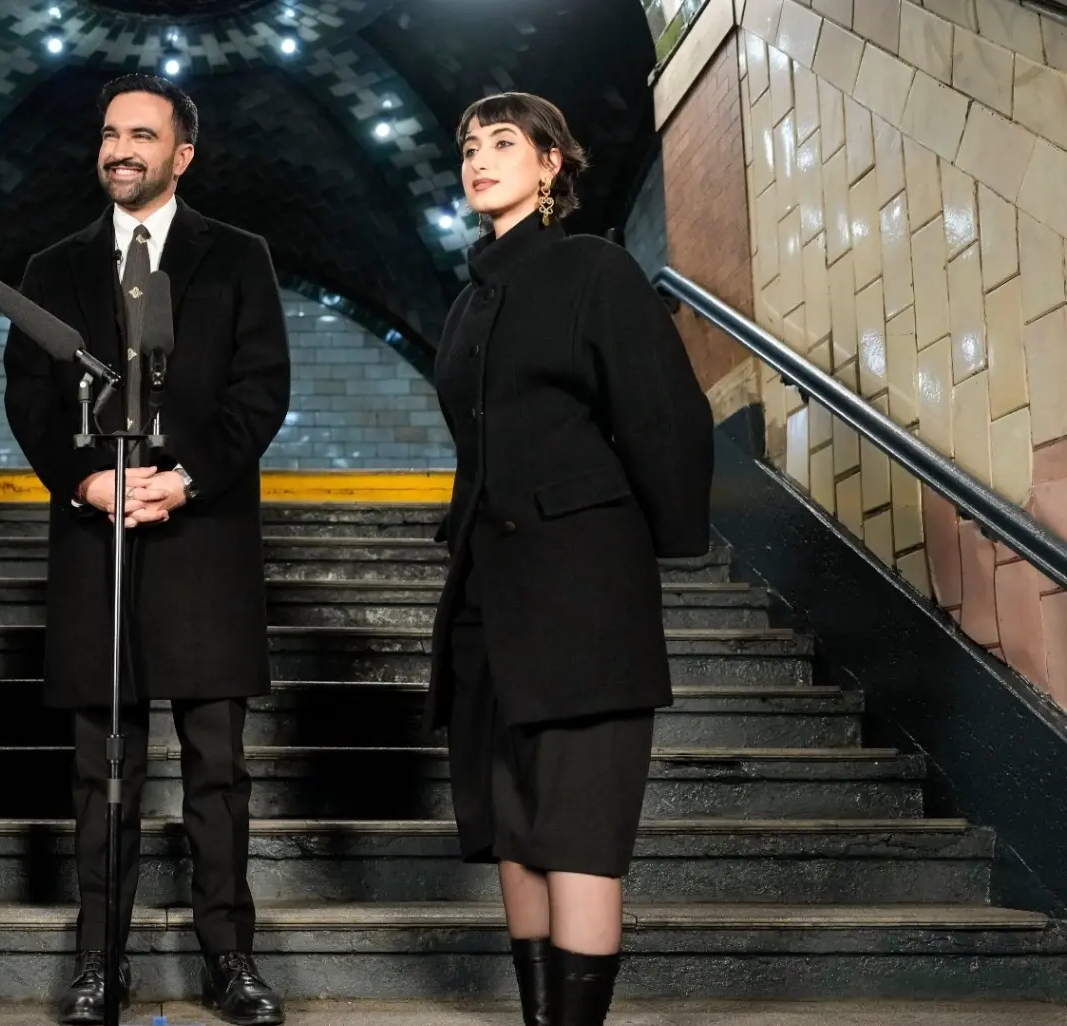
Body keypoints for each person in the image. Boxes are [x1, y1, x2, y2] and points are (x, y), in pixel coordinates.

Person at [2, 74, 291, 1026]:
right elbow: (29, 398)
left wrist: (187, 477)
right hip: (99, 544)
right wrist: (85, 480)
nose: (119, 149)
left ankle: (229, 960)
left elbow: (262, 388)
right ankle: (101, 963)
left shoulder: (239, 256)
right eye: (109, 133)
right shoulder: (52, 267)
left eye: (141, 135)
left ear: (183, 154)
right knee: (101, 771)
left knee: (217, 769)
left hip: (205, 540)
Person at [429, 92, 713, 1026]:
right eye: (470, 146)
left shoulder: (594, 267)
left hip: (584, 591)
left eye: (503, 142)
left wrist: (649, 541)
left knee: (580, 829)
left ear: (551, 162)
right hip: (489, 597)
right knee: (515, 826)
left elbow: (664, 415)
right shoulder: (469, 301)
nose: (479, 159)